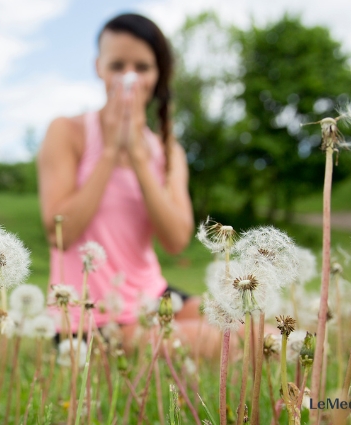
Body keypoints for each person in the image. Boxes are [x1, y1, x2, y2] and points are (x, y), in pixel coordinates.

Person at [37, 13, 220, 357]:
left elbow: (177, 239)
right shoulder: (67, 132)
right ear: (98, 67)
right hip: (90, 318)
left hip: (154, 296)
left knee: (255, 329)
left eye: (142, 67)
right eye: (117, 65)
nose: (129, 78)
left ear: (158, 75)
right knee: (226, 342)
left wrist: (137, 156)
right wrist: (110, 152)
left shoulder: (168, 151)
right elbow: (58, 232)